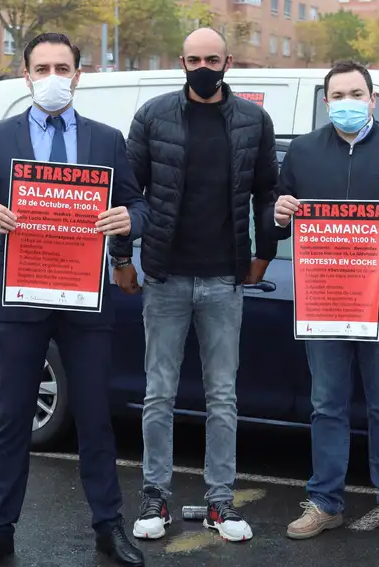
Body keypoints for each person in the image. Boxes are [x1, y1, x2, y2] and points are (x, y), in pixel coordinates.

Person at [0, 33, 149, 567]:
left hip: (85, 298)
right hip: (21, 297)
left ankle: (109, 527)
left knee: (97, 418)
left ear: (78, 75)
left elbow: (140, 206)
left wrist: (130, 221)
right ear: (27, 74)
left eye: (63, 67)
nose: (53, 76)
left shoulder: (106, 140)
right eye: (42, 67)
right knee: (12, 419)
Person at [113, 27, 280, 543]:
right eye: (193, 59)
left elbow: (267, 192)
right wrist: (123, 258)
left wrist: (264, 254)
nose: (203, 67)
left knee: (222, 397)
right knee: (158, 393)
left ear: (228, 61)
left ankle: (219, 502)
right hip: (164, 276)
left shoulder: (254, 120)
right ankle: (155, 498)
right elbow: (127, 190)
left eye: (212, 58)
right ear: (180, 61)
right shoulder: (152, 116)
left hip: (223, 279)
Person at [272, 61, 379, 544]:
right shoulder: (304, 153)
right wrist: (279, 211)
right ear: (325, 102)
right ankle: (325, 502)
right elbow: (274, 212)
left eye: (356, 94)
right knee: (326, 404)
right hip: (323, 300)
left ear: (372, 100)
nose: (347, 103)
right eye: (337, 95)